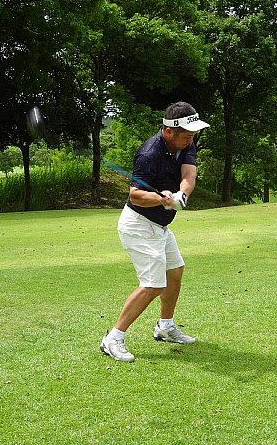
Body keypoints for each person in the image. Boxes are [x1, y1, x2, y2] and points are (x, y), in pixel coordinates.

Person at [100, 101, 210, 362]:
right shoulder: (149, 154)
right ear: (169, 131)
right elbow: (135, 195)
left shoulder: (186, 143)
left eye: (193, 136)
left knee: (175, 271)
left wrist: (182, 194)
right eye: (187, 136)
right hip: (139, 225)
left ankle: (165, 327)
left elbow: (189, 175)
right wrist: (162, 199)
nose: (191, 141)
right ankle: (112, 338)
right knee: (153, 284)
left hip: (160, 226)